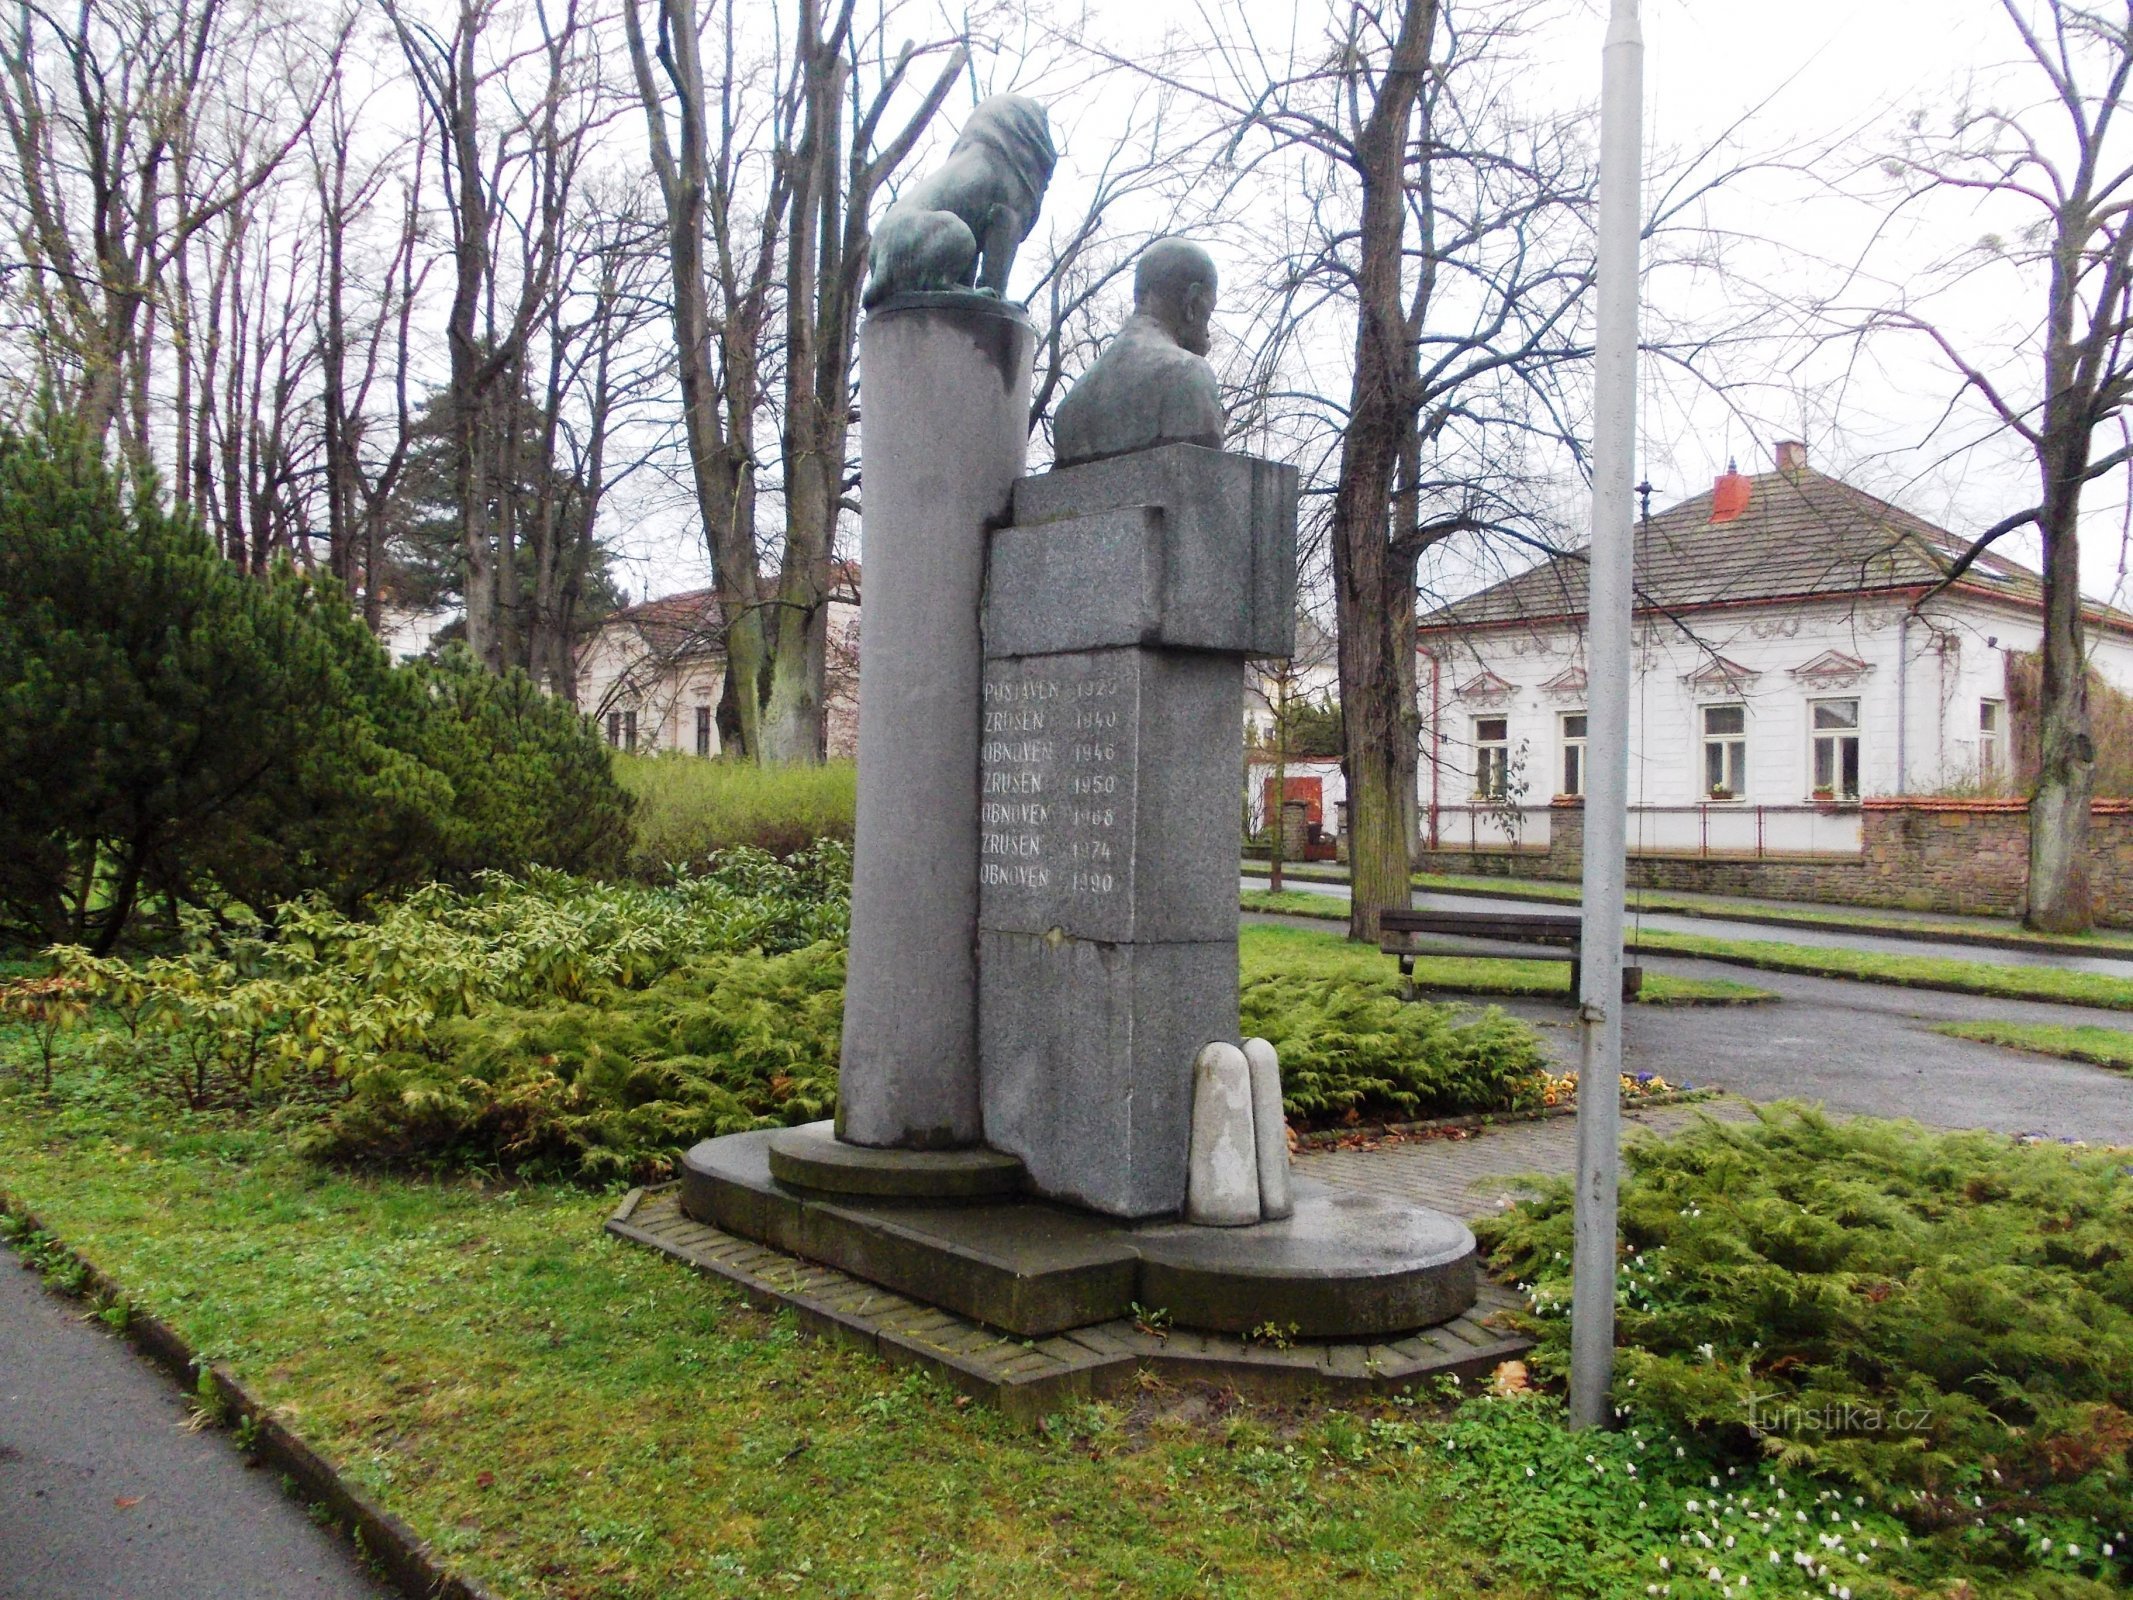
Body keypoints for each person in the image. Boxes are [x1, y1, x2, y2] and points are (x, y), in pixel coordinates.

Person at [1052, 238, 1224, 466]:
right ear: (1191, 302)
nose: (1207, 330)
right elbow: (1204, 482)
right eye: (1208, 312)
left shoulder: (1069, 406)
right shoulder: (1188, 373)